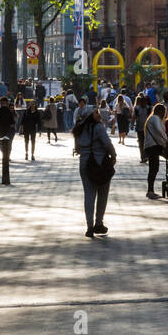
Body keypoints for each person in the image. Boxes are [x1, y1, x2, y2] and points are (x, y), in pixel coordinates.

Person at [73, 102, 117, 237]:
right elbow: (107, 144)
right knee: (102, 194)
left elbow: (78, 149)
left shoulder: (78, 129)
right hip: (100, 165)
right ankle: (99, 223)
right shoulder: (98, 127)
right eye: (96, 112)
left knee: (89, 194)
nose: (98, 114)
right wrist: (114, 156)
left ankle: (89, 226)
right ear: (89, 116)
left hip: (84, 165)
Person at [142, 102, 168, 199]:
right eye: (163, 112)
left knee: (154, 168)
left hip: (152, 146)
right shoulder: (155, 118)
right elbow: (159, 130)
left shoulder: (152, 118)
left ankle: (151, 190)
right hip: (153, 147)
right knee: (153, 168)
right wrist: (166, 140)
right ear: (160, 111)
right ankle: (150, 191)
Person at [0, 96, 16, 183]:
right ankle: (7, 178)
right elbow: (12, 122)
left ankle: (5, 156)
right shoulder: (9, 112)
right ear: (6, 103)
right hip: (7, 133)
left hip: (0, 133)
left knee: (0, 146)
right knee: (8, 146)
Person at [134, 90, 152, 162]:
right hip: (139, 128)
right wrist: (132, 124)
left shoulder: (149, 108)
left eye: (144, 102)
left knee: (147, 143)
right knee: (141, 143)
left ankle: (146, 156)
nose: (143, 103)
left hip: (148, 129)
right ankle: (143, 157)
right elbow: (134, 117)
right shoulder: (137, 108)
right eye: (142, 102)